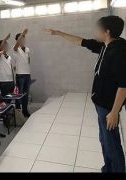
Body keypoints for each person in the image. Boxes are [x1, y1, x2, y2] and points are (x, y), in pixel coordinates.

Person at [45, 15, 126, 173]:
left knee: (112, 144)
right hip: (101, 105)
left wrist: (114, 112)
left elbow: (123, 86)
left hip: (109, 107)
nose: (95, 31)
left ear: (107, 31)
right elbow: (81, 41)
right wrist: (58, 32)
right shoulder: (105, 45)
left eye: (98, 28)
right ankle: (108, 168)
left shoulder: (119, 52)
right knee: (104, 140)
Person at [10, 28, 31, 117]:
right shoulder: (15, 49)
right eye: (21, 38)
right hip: (20, 75)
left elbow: (28, 61)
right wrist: (22, 33)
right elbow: (16, 45)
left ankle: (25, 110)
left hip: (27, 74)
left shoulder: (27, 49)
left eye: (23, 38)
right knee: (19, 95)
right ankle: (18, 112)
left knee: (26, 94)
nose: (22, 40)